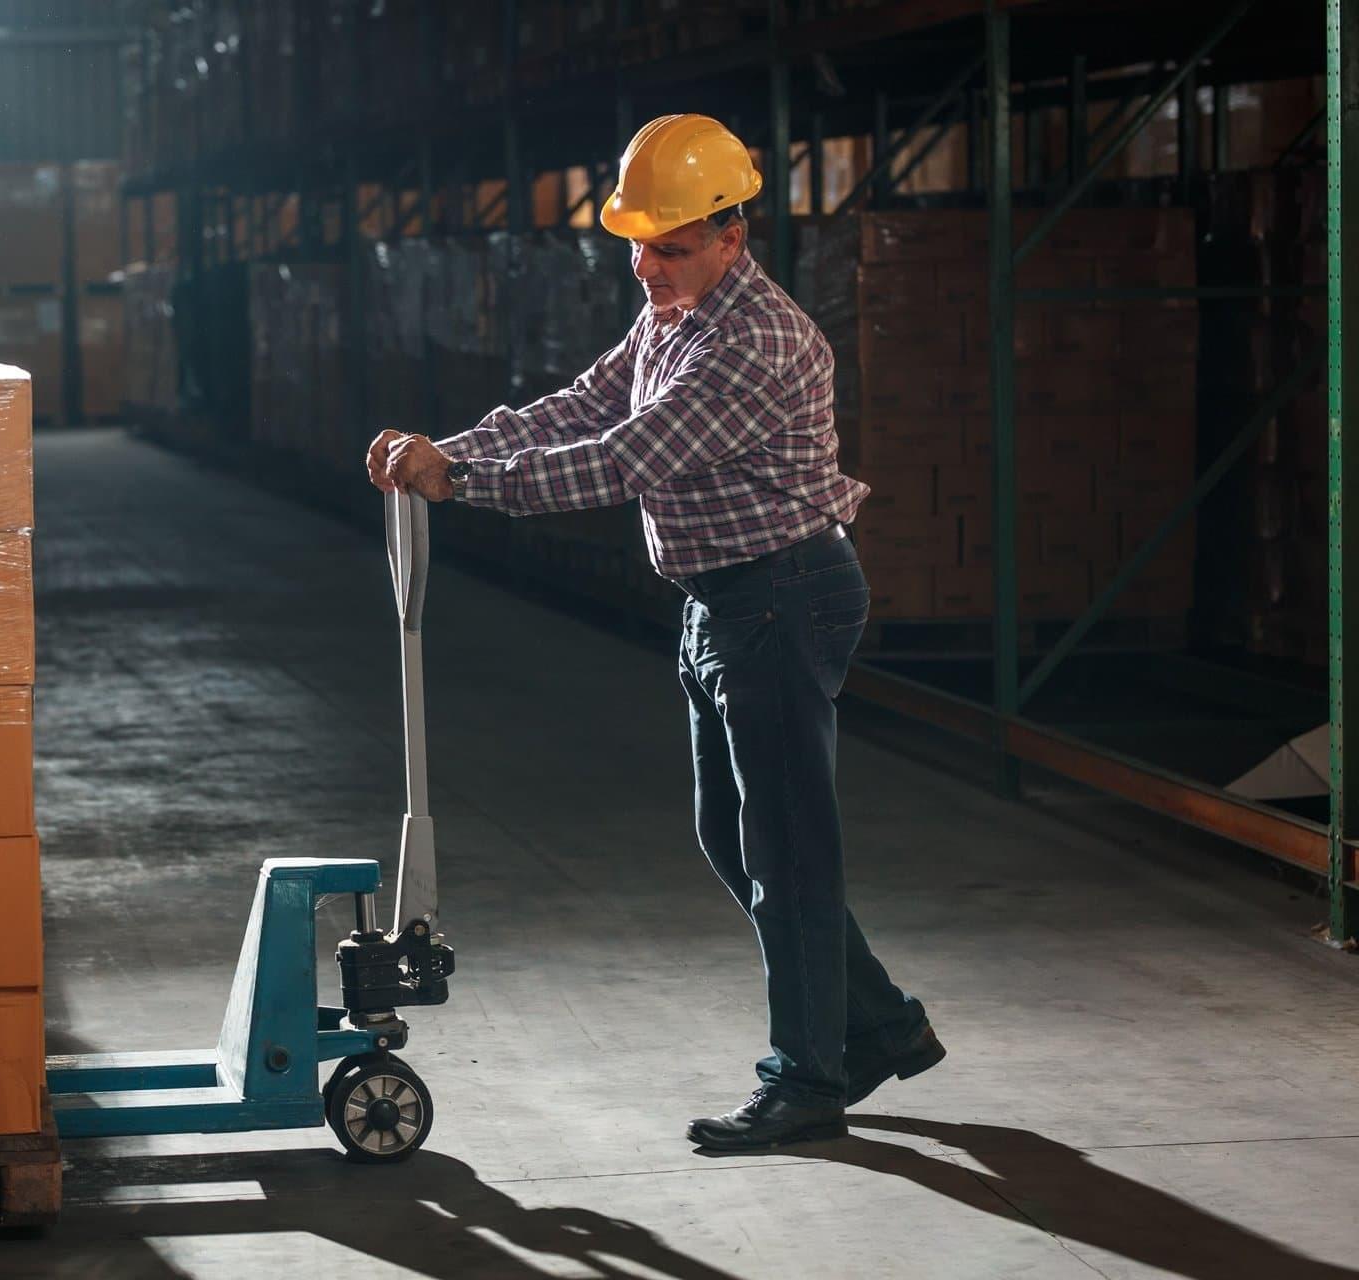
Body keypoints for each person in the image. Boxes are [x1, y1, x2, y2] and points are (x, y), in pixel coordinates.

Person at [366, 114, 943, 1152]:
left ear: (732, 232)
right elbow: (585, 402)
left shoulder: (750, 341)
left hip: (780, 594)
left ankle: (809, 1073)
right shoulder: (676, 314)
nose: (646, 265)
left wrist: (467, 484)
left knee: (788, 854)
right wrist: (442, 447)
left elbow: (623, 457)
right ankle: (881, 1023)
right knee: (737, 839)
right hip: (723, 601)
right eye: (637, 241)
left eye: (670, 245)